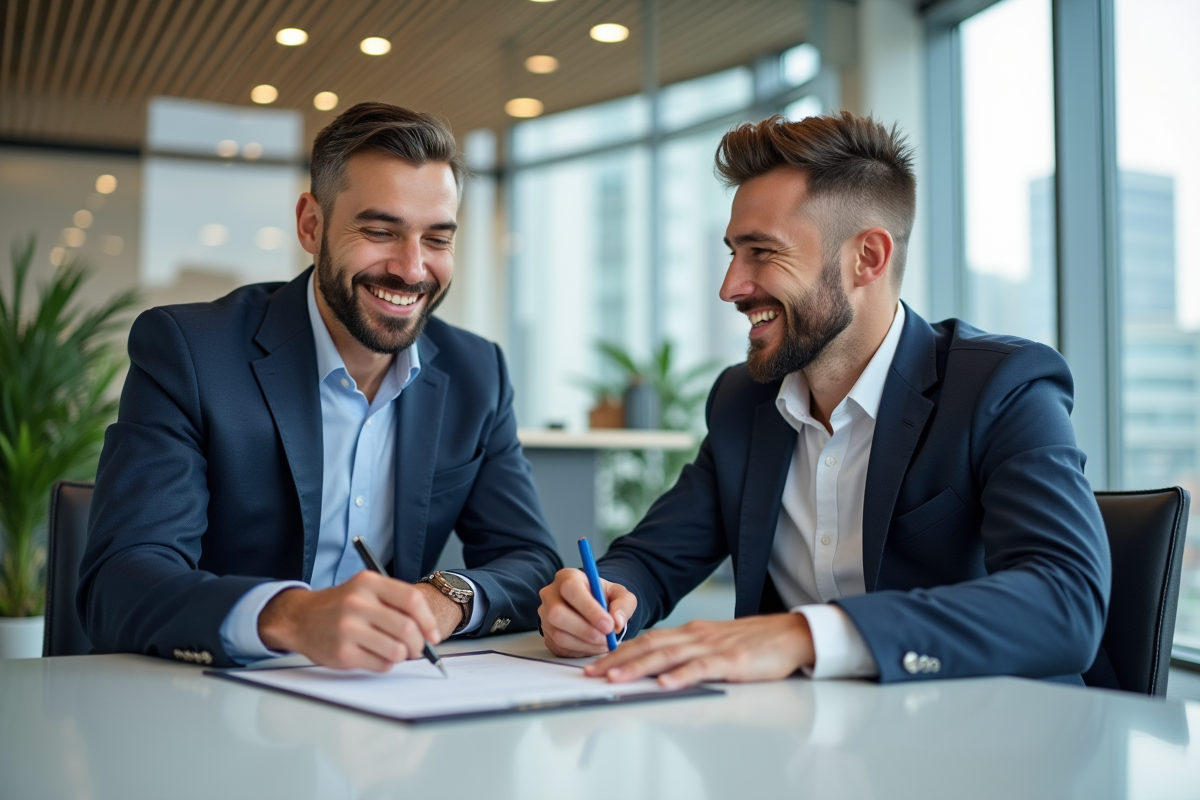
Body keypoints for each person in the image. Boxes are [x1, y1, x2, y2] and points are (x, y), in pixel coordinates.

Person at [538, 111, 1110, 687]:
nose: (731, 286)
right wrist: (601, 595)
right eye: (733, 252)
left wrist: (806, 634)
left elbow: (1065, 602)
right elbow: (653, 559)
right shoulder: (743, 401)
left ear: (867, 258)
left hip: (980, 749)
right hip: (797, 749)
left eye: (761, 252)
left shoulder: (1000, 387)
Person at [79, 103, 561, 670]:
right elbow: (121, 580)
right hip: (213, 702)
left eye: (437, 239)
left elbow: (530, 561)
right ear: (312, 224)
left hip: (389, 710)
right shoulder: (189, 351)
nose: (411, 269)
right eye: (381, 231)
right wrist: (291, 617)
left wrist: (447, 598)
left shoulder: (478, 373)